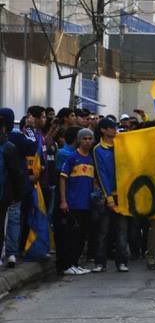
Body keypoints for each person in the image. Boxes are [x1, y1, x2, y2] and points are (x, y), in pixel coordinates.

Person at [93, 118, 130, 273]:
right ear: (103, 130)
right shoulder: (98, 149)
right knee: (103, 231)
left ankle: (122, 261)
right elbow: (101, 175)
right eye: (111, 128)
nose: (114, 130)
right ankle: (100, 262)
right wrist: (108, 197)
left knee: (122, 230)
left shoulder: (122, 145)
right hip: (107, 195)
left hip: (123, 195)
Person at [57, 128, 96, 276]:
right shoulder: (72, 158)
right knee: (72, 235)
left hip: (87, 203)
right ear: (79, 140)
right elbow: (63, 178)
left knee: (81, 236)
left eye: (89, 138)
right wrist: (63, 200)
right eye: (84, 138)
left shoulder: (92, 159)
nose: (87, 141)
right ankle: (68, 264)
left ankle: (75, 263)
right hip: (73, 203)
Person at [0, 108, 26, 270]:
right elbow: (16, 174)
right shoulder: (9, 146)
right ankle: (10, 253)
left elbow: (16, 174)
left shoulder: (9, 147)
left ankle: (9, 253)